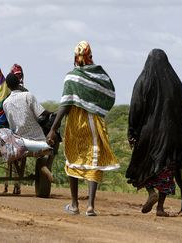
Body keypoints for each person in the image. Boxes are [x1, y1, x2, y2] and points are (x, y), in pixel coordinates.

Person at [46, 41, 119, 216]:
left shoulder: (72, 77)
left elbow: (65, 105)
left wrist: (53, 129)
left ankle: (74, 204)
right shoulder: (100, 75)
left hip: (75, 123)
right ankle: (91, 206)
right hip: (95, 122)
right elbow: (109, 95)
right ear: (90, 55)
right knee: (93, 159)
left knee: (74, 156)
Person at [126, 49, 182, 217]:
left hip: (148, 133)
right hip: (172, 134)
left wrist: (132, 131)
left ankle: (151, 191)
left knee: (144, 164)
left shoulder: (144, 80)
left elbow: (136, 107)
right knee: (167, 169)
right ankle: (160, 207)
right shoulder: (175, 82)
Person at [3, 73, 53, 194]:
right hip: (38, 142)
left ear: (8, 86)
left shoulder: (5, 103)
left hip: (19, 142)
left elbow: (11, 125)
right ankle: (43, 164)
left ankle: (18, 178)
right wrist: (53, 113)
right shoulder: (28, 96)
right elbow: (41, 114)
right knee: (52, 145)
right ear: (19, 83)